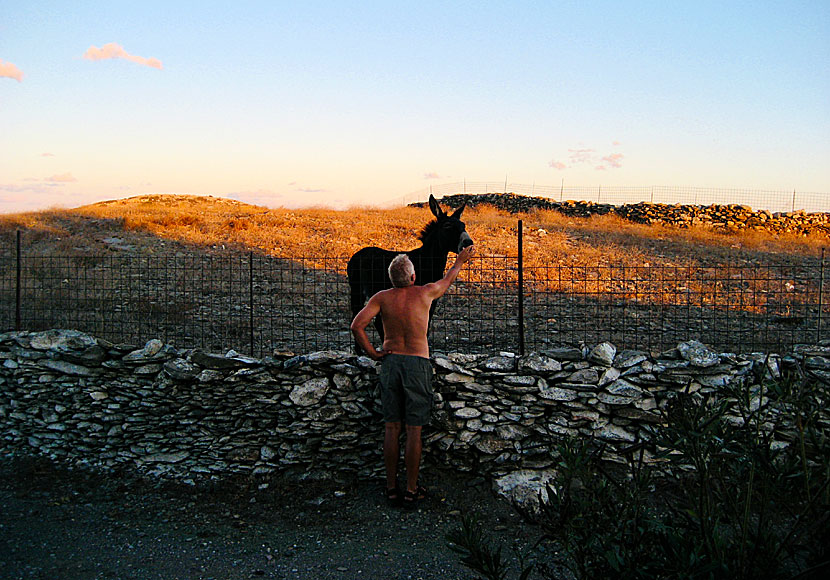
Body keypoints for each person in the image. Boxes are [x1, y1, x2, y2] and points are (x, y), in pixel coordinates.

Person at [350, 245, 475, 508]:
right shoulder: (425, 293)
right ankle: (411, 489)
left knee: (392, 427)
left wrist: (373, 353)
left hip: (391, 362)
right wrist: (460, 260)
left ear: (391, 278)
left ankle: (391, 487)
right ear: (413, 277)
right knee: (414, 430)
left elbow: (356, 326)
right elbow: (448, 279)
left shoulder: (381, 298)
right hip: (417, 363)